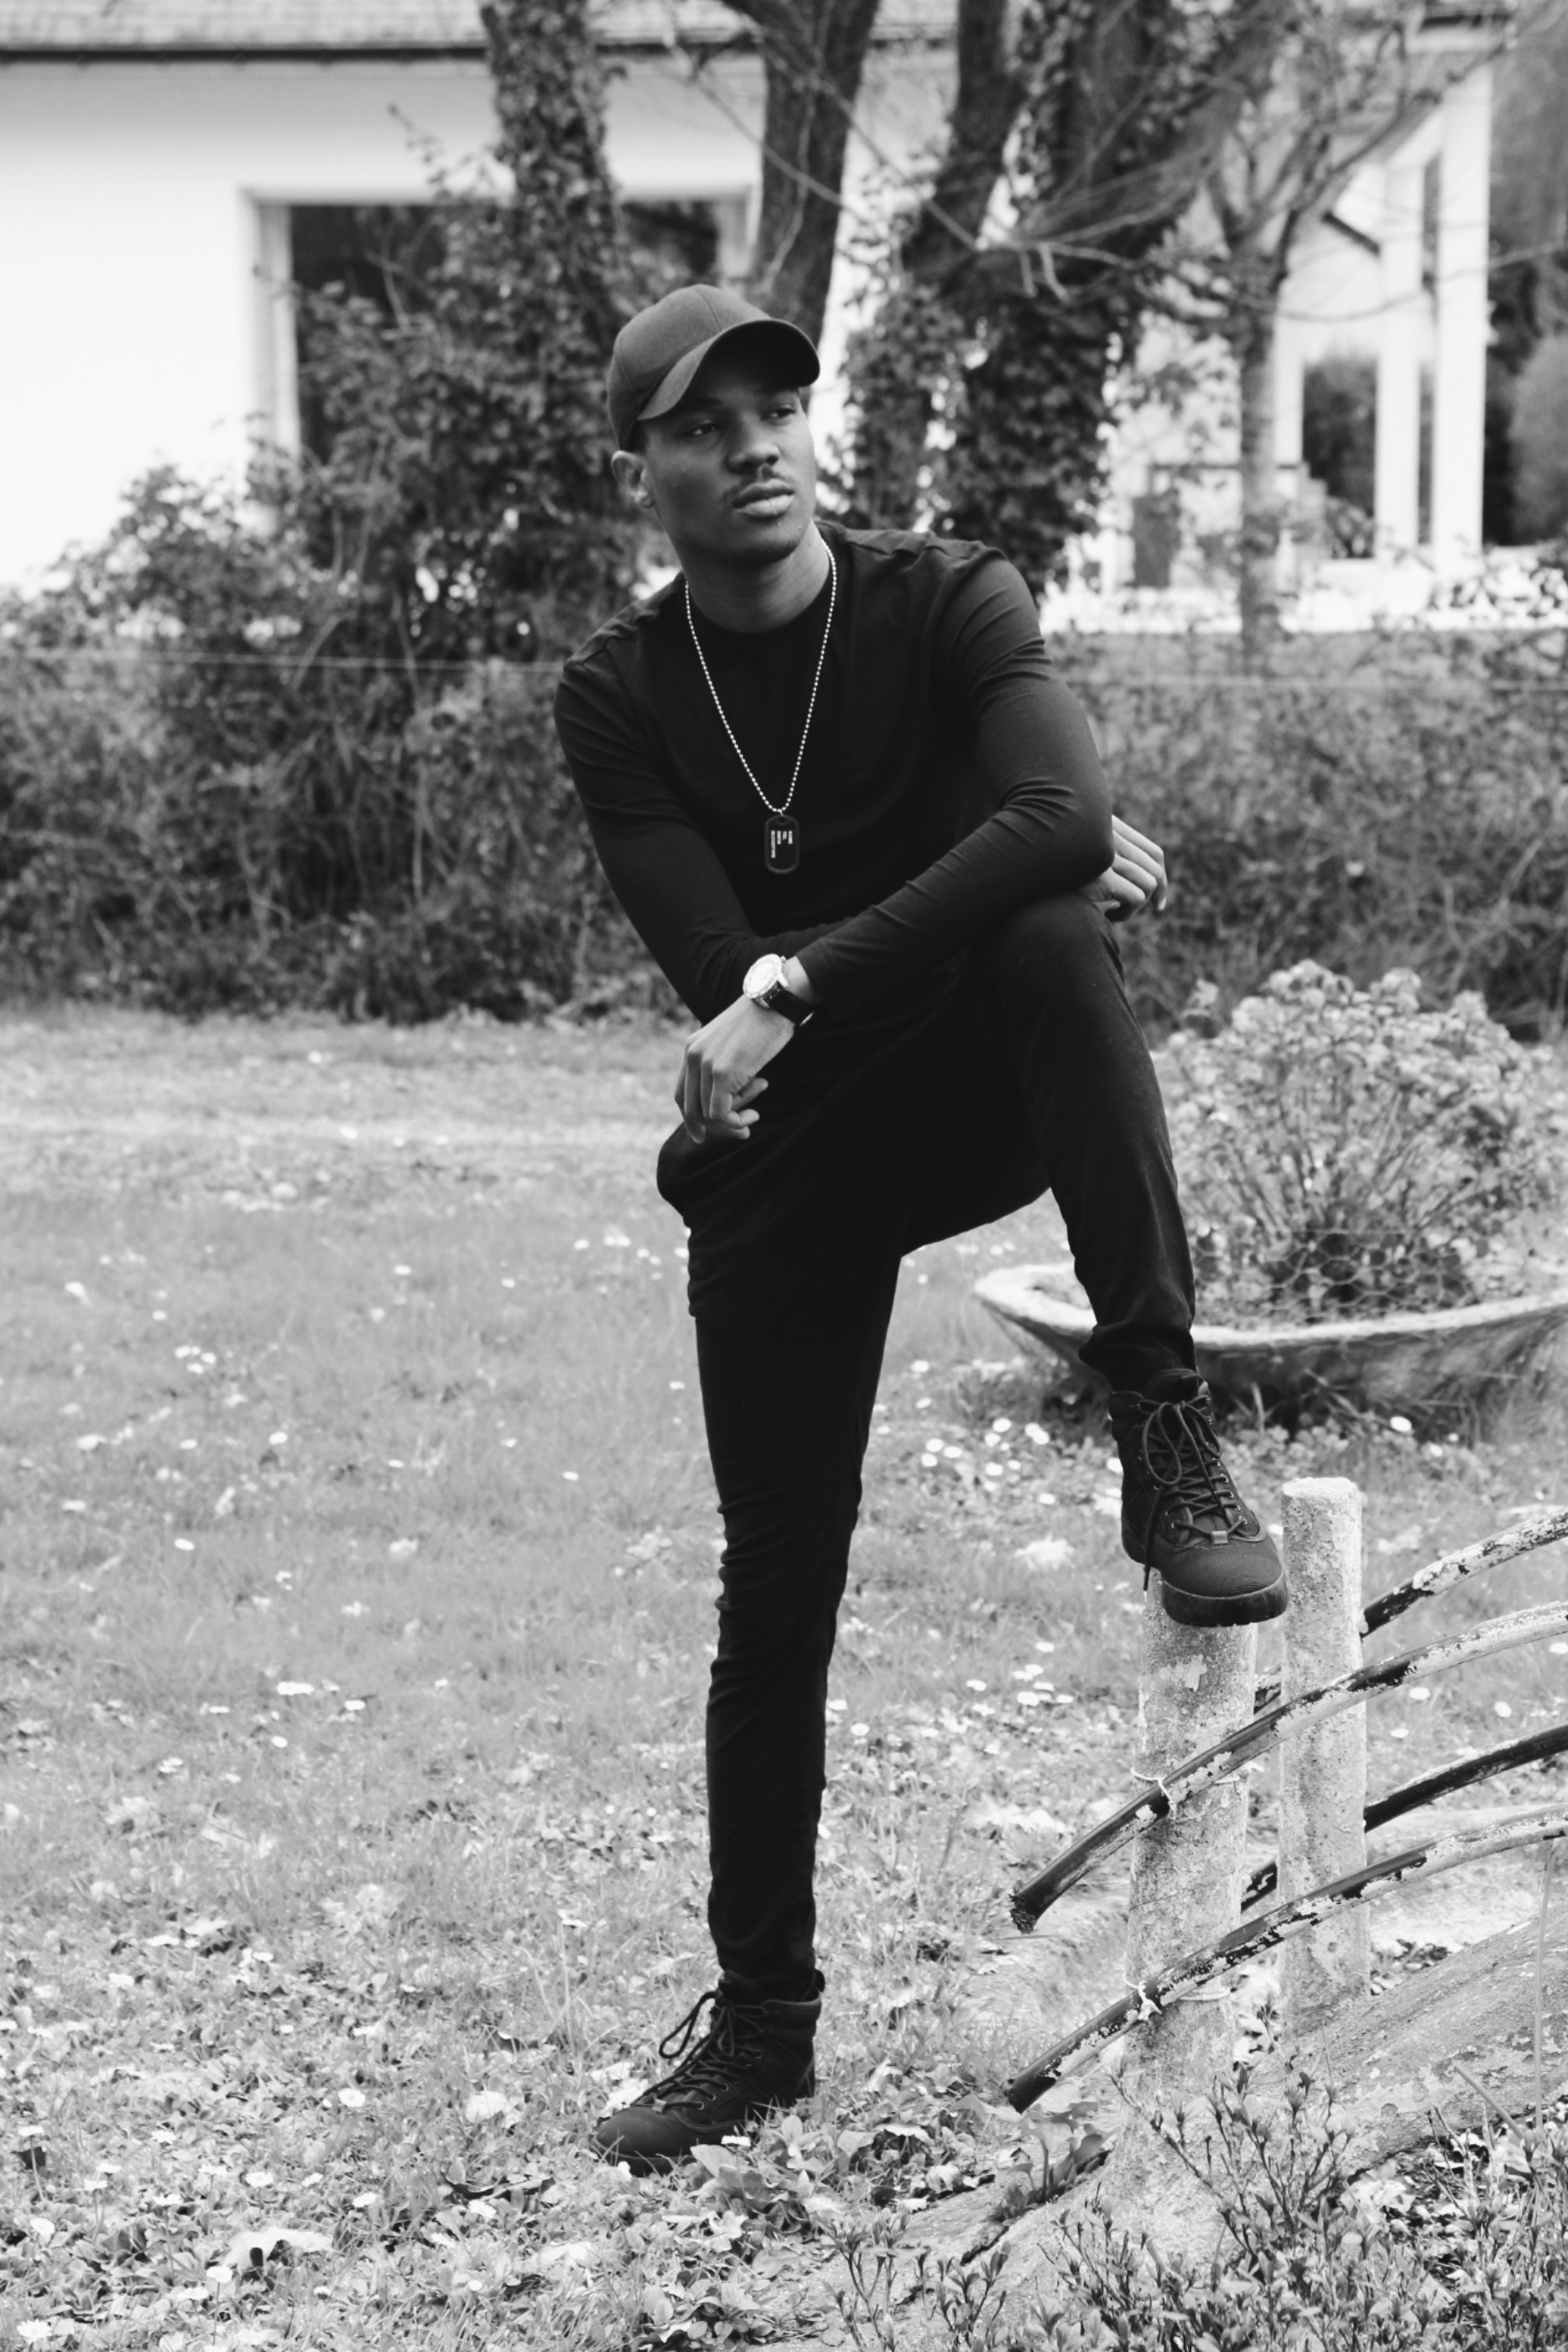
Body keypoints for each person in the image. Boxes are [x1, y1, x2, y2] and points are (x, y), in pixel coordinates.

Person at [553, 283, 1286, 2177]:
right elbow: (728, 961)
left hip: (931, 1093)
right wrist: (987, 868)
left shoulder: (946, 596)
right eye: (705, 427)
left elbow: (1061, 823)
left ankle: (1162, 1418)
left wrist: (814, 968)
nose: (757, 448)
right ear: (643, 468)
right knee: (774, 1585)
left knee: (1053, 937)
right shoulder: (618, 698)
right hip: (788, 1160)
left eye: (779, 406)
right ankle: (761, 2030)